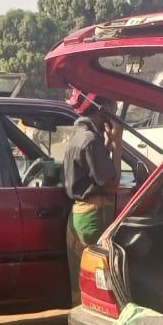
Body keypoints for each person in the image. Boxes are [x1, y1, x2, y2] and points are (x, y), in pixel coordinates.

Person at [61, 93, 122, 300]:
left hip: (79, 217)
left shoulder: (78, 137)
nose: (116, 108)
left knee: (81, 285)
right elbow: (112, 184)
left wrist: (107, 143)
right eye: (113, 103)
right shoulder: (90, 140)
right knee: (100, 284)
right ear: (102, 107)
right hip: (93, 218)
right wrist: (118, 143)